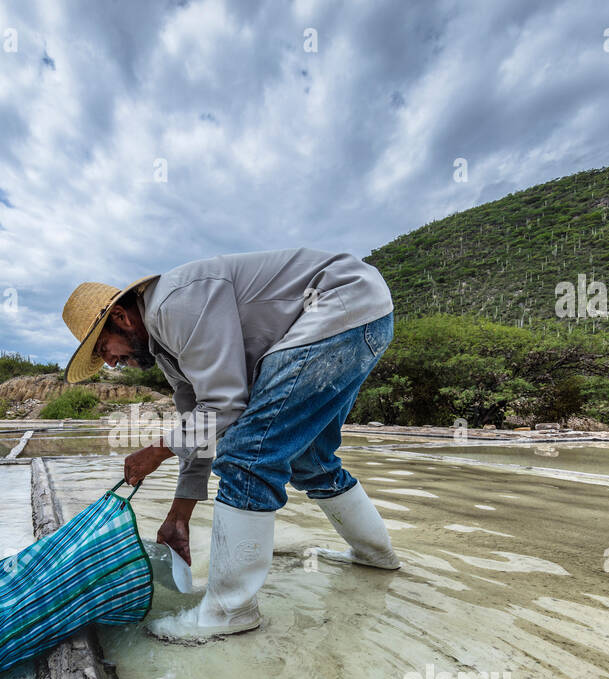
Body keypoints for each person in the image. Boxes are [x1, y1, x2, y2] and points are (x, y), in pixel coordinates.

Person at [60, 248, 401, 641]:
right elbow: (203, 424)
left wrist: (156, 450)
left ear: (120, 318)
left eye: (104, 350)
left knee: (247, 455)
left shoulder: (174, 307)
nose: (112, 364)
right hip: (365, 315)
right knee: (311, 457)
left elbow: (226, 403)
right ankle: (375, 555)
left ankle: (228, 610)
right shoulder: (169, 348)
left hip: (338, 305)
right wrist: (179, 515)